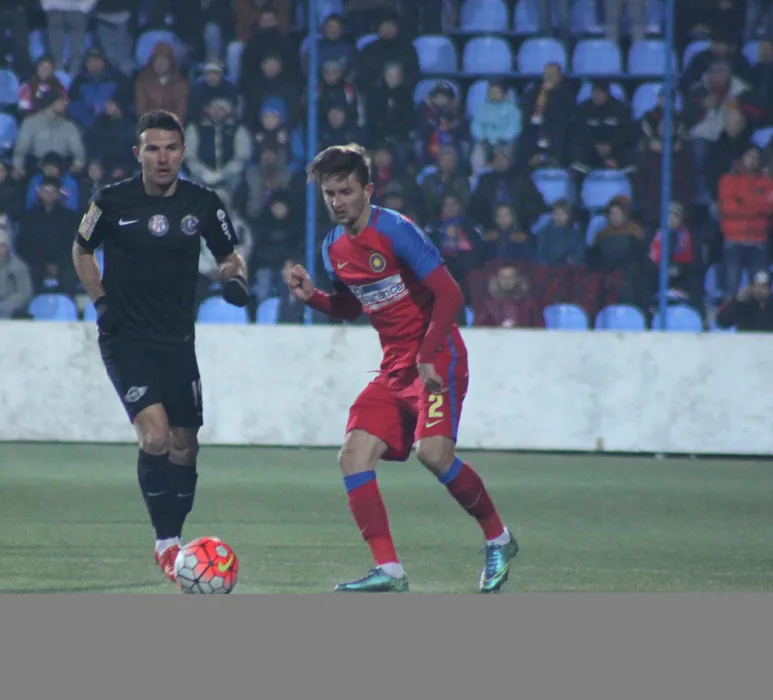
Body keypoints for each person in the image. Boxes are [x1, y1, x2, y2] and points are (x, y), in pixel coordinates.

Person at [285, 144, 519, 594]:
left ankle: (499, 539)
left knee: (433, 455)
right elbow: (351, 307)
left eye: (345, 191)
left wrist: (427, 354)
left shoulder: (396, 230)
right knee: (353, 456)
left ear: (367, 190)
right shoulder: (333, 248)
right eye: (329, 193)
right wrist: (313, 298)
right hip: (394, 368)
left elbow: (450, 295)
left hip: (439, 356)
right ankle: (389, 570)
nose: (337, 201)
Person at [71, 110, 250, 585]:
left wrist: (235, 279)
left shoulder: (203, 203)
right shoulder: (111, 201)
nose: (162, 157)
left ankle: (176, 536)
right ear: (138, 153)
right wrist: (101, 302)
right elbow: (81, 250)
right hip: (125, 339)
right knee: (155, 437)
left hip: (177, 342)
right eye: (153, 148)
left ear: (183, 153)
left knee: (185, 446)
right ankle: (167, 543)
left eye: (171, 148)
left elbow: (230, 256)